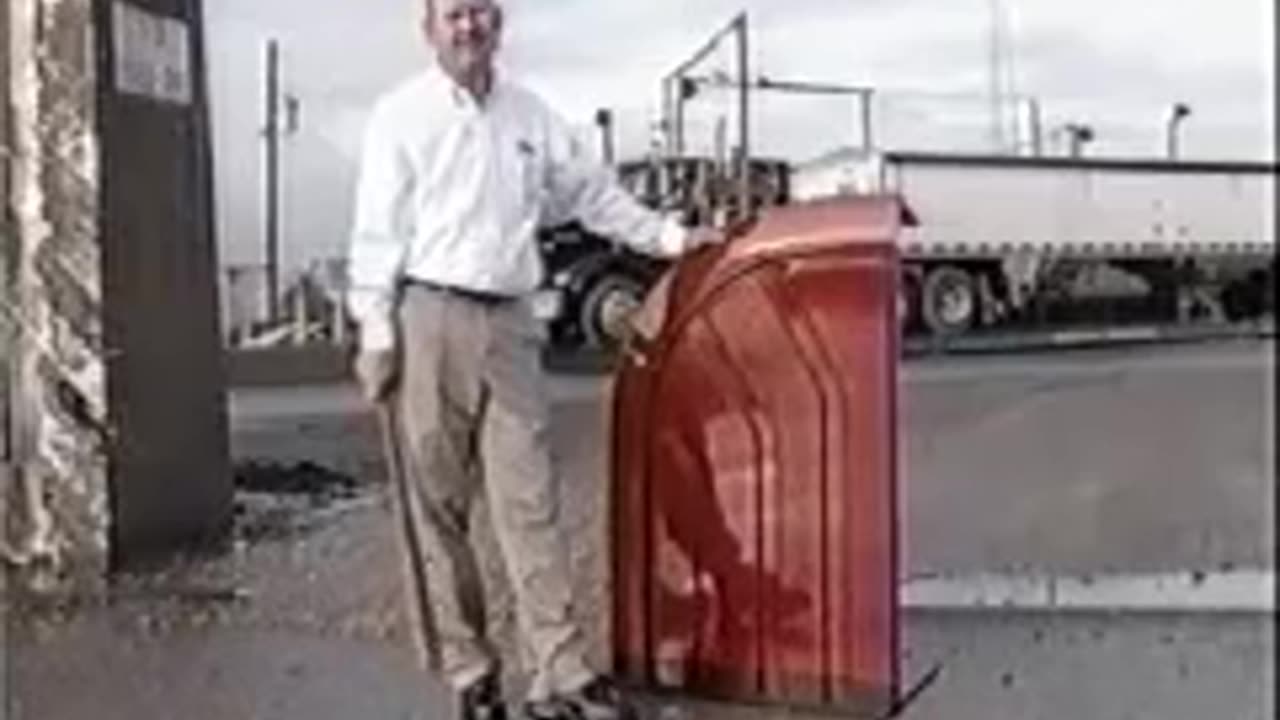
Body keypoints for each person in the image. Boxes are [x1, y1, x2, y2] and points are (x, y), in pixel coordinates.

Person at [345, 1, 722, 718]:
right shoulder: (401, 117)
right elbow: (376, 231)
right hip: (428, 317)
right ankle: (471, 673)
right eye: (454, 14)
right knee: (440, 510)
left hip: (511, 324)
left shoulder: (531, 117)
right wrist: (376, 335)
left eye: (481, 12)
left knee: (531, 504)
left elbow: (593, 196)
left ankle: (562, 674)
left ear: (499, 24)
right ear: (429, 27)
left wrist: (673, 240)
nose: (469, 26)